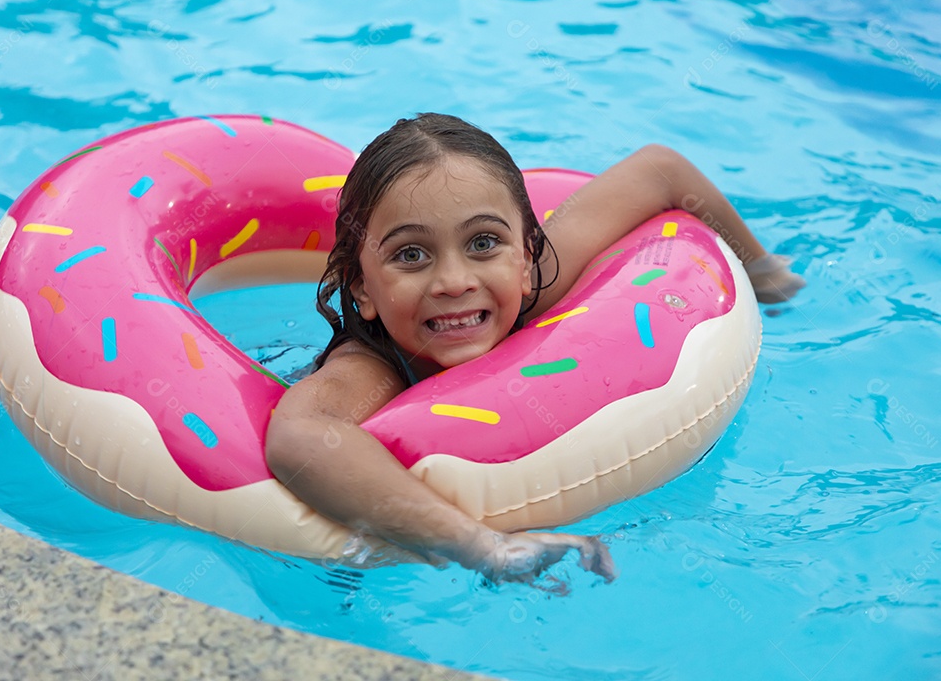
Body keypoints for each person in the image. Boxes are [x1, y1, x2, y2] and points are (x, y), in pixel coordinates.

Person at [265, 113, 804, 584]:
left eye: (482, 243)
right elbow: (301, 437)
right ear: (362, 289)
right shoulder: (375, 368)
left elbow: (660, 170)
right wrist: (485, 548)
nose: (454, 280)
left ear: (525, 259)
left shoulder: (537, 283)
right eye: (411, 254)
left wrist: (765, 275)